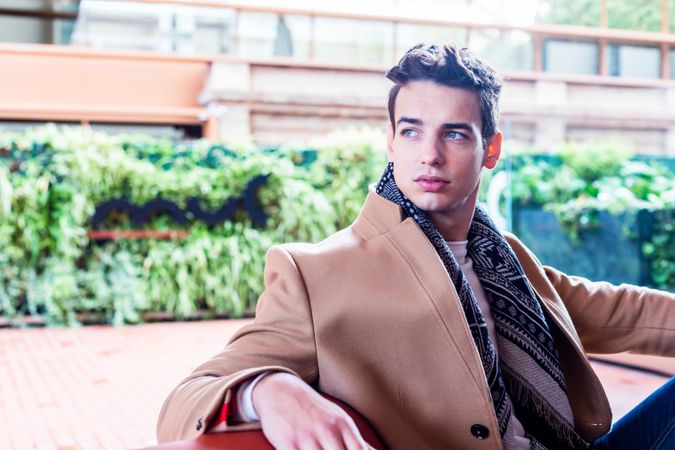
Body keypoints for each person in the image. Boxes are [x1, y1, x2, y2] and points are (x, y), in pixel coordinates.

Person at [157, 43, 675, 450]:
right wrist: (268, 389)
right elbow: (185, 400)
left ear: (489, 149)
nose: (428, 154)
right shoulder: (314, 273)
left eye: (453, 134)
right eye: (411, 131)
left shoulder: (507, 258)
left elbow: (623, 311)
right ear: (390, 141)